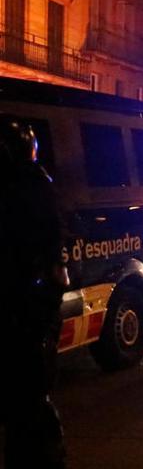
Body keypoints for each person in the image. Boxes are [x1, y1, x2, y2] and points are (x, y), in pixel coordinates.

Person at [1, 117, 67, 467]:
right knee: (29, 408)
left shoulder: (31, 187)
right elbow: (57, 266)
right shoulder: (37, 186)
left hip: (24, 313)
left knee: (26, 409)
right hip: (28, 316)